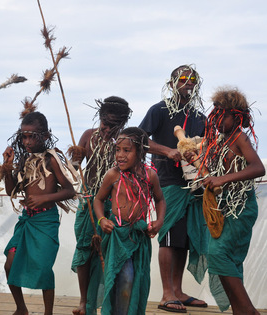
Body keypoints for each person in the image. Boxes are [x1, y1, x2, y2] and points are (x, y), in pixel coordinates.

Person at [139, 64, 208, 312]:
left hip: (193, 186)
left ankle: (178, 291)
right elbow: (138, 140)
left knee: (183, 240)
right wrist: (167, 150)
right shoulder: (159, 110)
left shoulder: (200, 117)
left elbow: (206, 146)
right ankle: (167, 294)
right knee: (168, 238)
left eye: (192, 79)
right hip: (167, 182)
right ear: (172, 83)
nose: (188, 82)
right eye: (183, 78)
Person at [2, 111, 77, 315]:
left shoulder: (51, 160)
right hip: (27, 220)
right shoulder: (25, 160)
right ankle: (21, 308)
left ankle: (48, 312)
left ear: (44, 136)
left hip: (46, 221)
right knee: (10, 262)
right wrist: (7, 168)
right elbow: (10, 191)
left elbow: (70, 190)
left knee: (44, 269)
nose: (27, 141)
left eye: (31, 136)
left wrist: (44, 198)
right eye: (23, 137)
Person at [199, 87, 265, 314]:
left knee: (219, 254)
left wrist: (222, 179)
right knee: (225, 258)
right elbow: (214, 175)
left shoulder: (240, 138)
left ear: (237, 117)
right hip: (224, 206)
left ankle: (248, 310)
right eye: (215, 115)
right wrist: (203, 170)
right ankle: (240, 310)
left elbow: (258, 168)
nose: (218, 120)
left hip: (241, 207)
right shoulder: (220, 141)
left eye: (223, 116)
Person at [70, 96, 132, 315]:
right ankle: (85, 302)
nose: (106, 129)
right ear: (100, 118)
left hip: (115, 202)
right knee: (85, 249)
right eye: (104, 123)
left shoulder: (125, 143)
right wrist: (75, 156)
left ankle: (109, 304)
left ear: (123, 123)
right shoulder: (89, 136)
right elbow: (76, 166)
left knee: (109, 253)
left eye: (113, 126)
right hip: (89, 200)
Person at [94, 127, 166, 315]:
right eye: (118, 150)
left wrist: (159, 222)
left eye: (127, 150)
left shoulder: (150, 176)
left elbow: (160, 199)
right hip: (117, 236)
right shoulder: (113, 175)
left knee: (135, 282)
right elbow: (98, 199)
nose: (120, 155)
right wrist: (102, 219)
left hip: (138, 237)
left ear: (140, 152)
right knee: (124, 278)